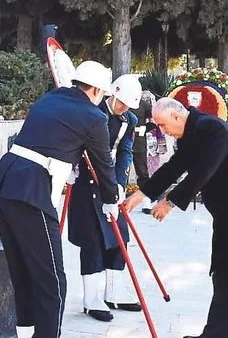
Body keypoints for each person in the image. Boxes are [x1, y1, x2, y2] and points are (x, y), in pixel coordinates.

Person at [124, 98, 228, 338]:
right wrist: (140, 194)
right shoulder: (193, 132)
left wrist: (170, 202)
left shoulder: (213, 129)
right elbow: (175, 166)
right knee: (224, 276)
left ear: (176, 116)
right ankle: (216, 333)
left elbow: (204, 170)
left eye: (162, 125)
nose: (163, 131)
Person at [0, 60, 120, 338]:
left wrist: (67, 166)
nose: (102, 101)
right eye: (103, 95)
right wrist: (111, 199)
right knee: (53, 281)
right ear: (95, 90)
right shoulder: (94, 117)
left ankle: (24, 332)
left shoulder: (50, 98)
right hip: (30, 194)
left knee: (22, 271)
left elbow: (50, 139)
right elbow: (104, 164)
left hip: (4, 185)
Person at [67, 74, 142, 323]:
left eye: (128, 105)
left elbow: (125, 152)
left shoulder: (129, 120)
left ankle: (114, 291)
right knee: (93, 239)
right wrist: (69, 166)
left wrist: (120, 183)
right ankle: (91, 298)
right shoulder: (91, 111)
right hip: (86, 182)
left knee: (120, 236)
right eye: (121, 102)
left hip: (110, 182)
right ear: (113, 93)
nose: (124, 108)